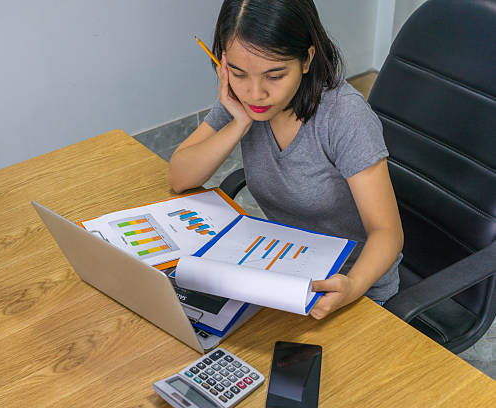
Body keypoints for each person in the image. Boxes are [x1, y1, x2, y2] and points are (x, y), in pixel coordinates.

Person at [168, 0, 404, 319]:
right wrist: (239, 123)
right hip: (283, 274)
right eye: (238, 73)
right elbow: (180, 176)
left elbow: (387, 233)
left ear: (307, 59)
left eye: (275, 76)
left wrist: (352, 285)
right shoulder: (243, 100)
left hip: (350, 289)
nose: (255, 93)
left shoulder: (345, 116)